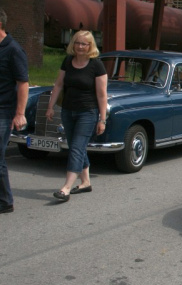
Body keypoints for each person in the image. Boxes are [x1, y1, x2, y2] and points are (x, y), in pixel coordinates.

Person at [45, 30, 108, 202]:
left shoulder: (96, 65)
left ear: (90, 46)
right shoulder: (68, 61)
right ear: (73, 44)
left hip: (87, 112)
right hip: (68, 110)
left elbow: (102, 95)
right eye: (78, 43)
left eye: (84, 44)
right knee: (75, 146)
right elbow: (58, 85)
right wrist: (50, 106)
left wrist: (102, 119)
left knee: (76, 148)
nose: (80, 47)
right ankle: (85, 182)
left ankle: (66, 188)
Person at [0, 5, 28, 216]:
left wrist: (20, 113)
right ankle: (5, 200)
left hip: (1, 112)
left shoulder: (14, 50)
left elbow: (23, 83)